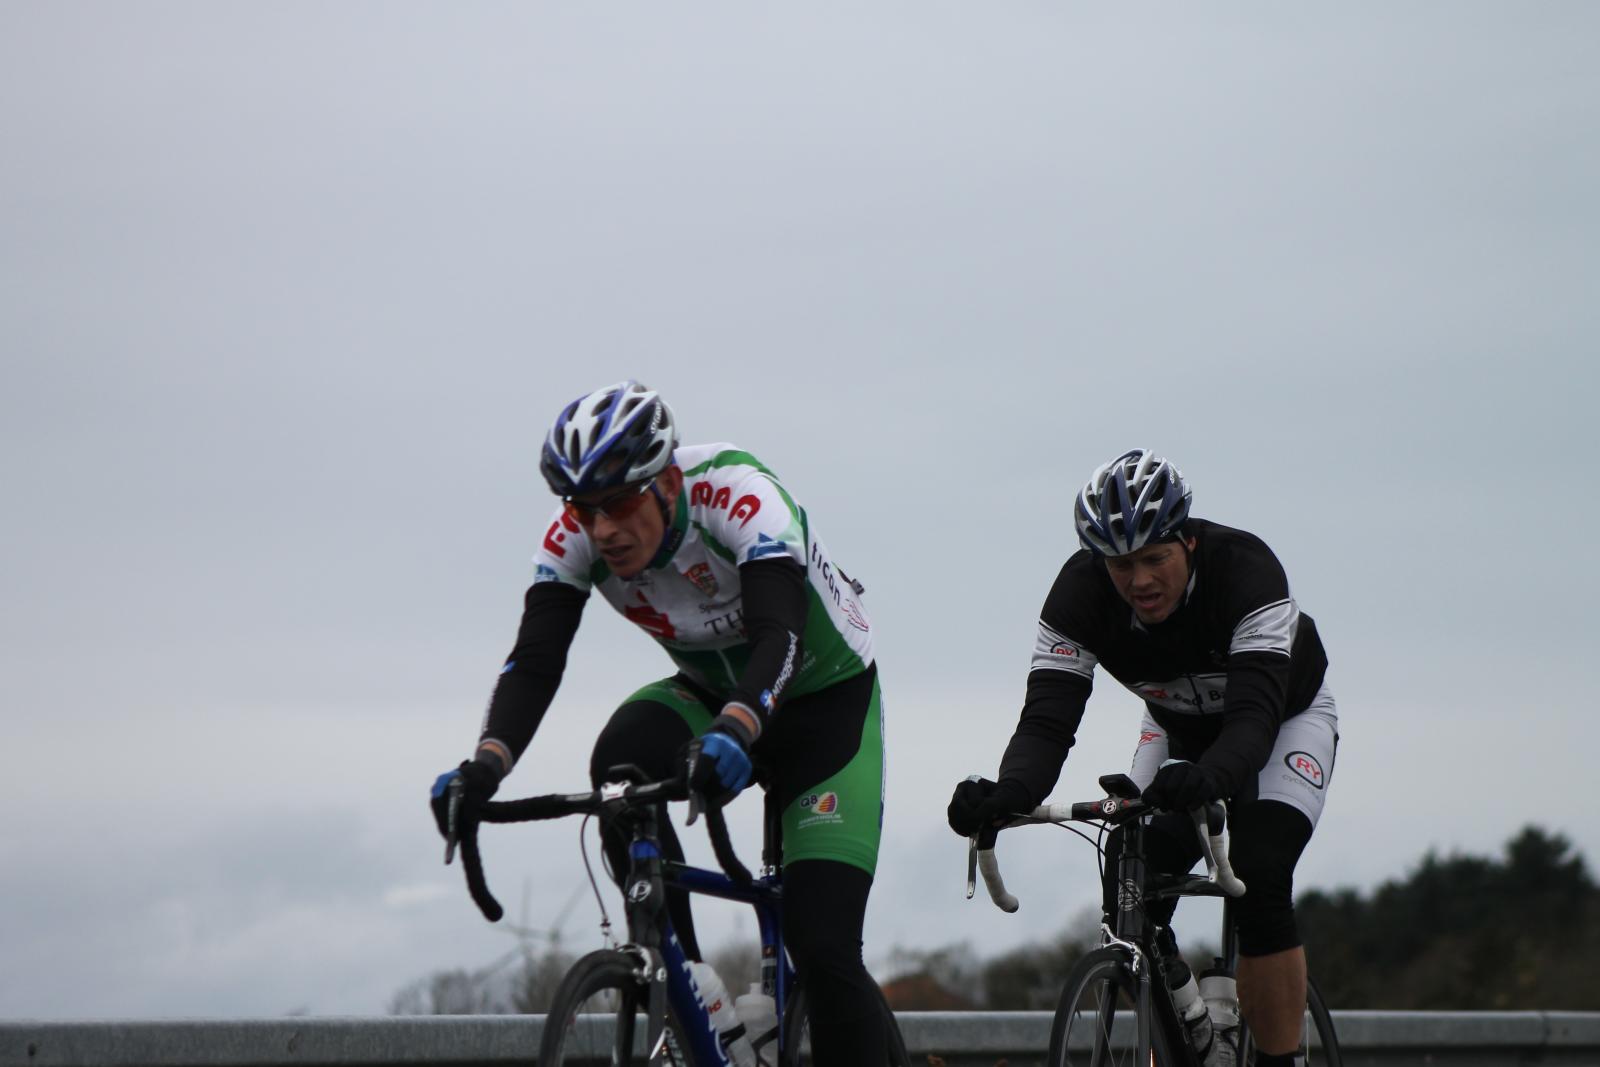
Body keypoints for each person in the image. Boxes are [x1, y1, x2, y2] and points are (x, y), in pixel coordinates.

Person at [432, 380, 889, 1062]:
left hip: (824, 697)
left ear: (668, 482)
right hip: (712, 689)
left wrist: (738, 728)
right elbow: (534, 662)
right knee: (619, 767)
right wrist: (485, 765)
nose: (603, 527)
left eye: (618, 503)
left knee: (821, 944)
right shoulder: (576, 537)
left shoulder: (737, 493)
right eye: (583, 508)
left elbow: (779, 635)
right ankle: (692, 995)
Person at [947, 448, 1338, 1067]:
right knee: (1130, 876)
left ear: (1188, 542)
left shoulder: (1246, 570)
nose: (1139, 581)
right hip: (1175, 727)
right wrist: (1009, 792)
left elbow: (1253, 719)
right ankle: (1187, 1029)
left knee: (1260, 879)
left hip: (1283, 721)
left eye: (1155, 558)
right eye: (1121, 565)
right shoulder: (1078, 596)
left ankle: (1279, 1059)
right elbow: (1048, 722)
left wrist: (1210, 777)